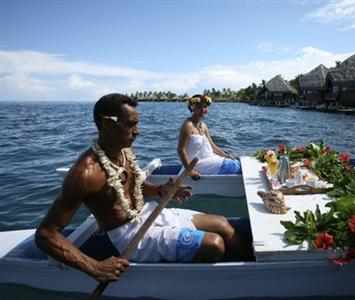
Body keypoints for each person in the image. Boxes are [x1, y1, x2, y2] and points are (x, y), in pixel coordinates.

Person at [35, 93, 253, 283]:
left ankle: (254, 268)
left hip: (147, 214)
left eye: (137, 124)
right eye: (130, 125)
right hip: (128, 235)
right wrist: (95, 268)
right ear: (106, 124)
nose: (137, 131)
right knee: (215, 244)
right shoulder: (85, 173)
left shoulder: (123, 152)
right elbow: (46, 234)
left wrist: (159, 191)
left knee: (222, 223)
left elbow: (133, 184)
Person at [178, 95, 241, 180]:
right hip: (196, 164)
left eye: (205, 107)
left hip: (209, 159)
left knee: (235, 162)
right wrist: (190, 171)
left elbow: (212, 146)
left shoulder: (203, 126)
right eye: (199, 107)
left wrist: (225, 155)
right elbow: (181, 149)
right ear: (193, 108)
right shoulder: (187, 125)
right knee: (233, 166)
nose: (203, 110)